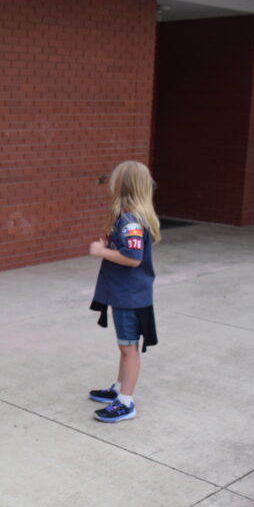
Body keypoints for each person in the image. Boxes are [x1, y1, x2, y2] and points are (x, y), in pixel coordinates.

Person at [87, 160, 160, 423]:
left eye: (114, 179)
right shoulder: (128, 216)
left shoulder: (130, 219)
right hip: (125, 293)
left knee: (129, 348)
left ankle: (126, 401)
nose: (110, 183)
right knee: (124, 346)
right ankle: (119, 388)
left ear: (123, 186)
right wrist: (111, 243)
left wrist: (102, 251)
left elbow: (133, 257)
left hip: (130, 296)